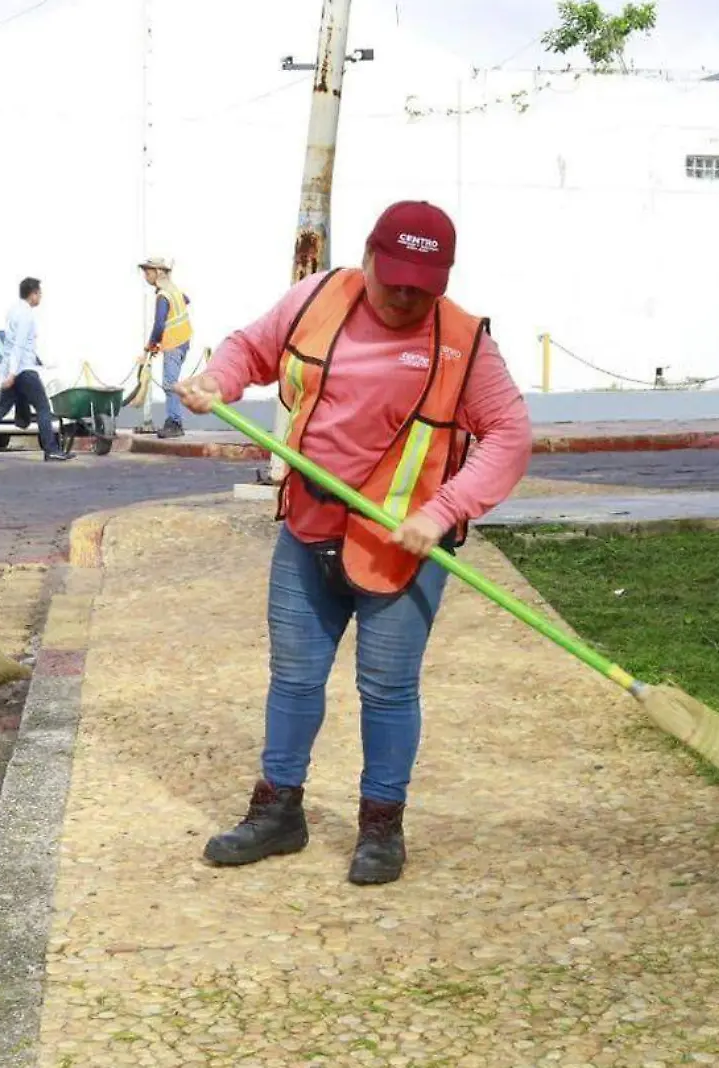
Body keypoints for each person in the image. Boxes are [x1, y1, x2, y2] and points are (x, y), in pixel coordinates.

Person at [175, 201, 533, 886]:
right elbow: (250, 348)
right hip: (310, 525)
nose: (403, 296)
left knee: (388, 689)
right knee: (295, 677)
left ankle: (381, 827)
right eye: (392, 277)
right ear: (367, 258)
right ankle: (278, 810)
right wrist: (218, 380)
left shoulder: (464, 342)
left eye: (421, 287)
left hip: (403, 548)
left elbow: (510, 435)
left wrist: (445, 509)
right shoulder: (317, 297)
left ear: (444, 280)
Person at [0, 277, 73, 464]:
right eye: (39, 293)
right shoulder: (25, 315)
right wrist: (13, 373)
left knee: (1, 408)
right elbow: (19, 345)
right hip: (23, 369)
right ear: (33, 294)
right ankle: (51, 450)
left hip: (13, 369)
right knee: (43, 408)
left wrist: (8, 372)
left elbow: (10, 345)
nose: (41, 297)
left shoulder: (13, 311)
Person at [139, 256, 193, 439]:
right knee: (171, 383)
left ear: (158, 273)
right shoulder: (174, 291)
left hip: (174, 343)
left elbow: (159, 324)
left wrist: (151, 345)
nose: (146, 276)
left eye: (148, 272)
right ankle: (174, 420)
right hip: (183, 341)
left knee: (170, 384)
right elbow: (187, 299)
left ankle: (175, 423)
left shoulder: (163, 295)